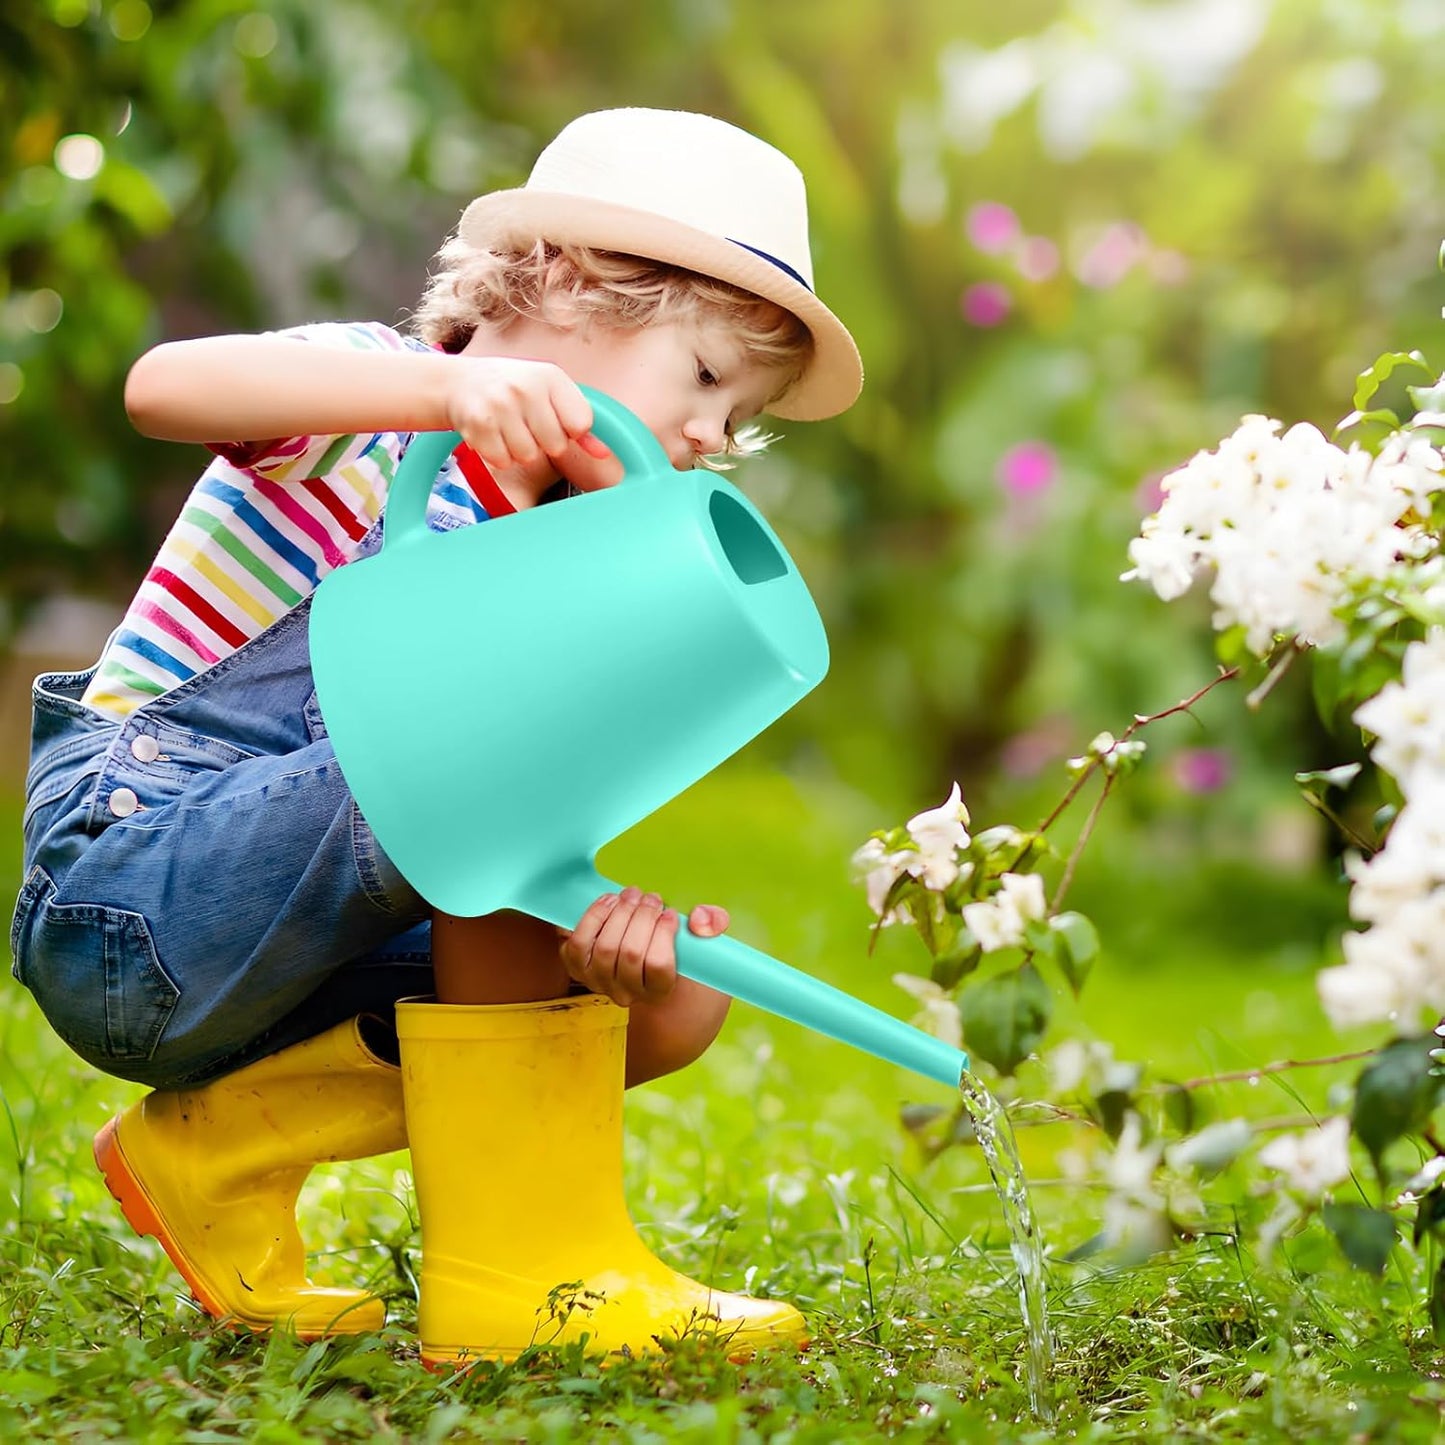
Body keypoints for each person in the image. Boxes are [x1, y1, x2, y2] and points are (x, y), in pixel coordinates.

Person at [11, 107, 862, 1364]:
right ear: (571, 282)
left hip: (280, 946)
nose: (709, 437)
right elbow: (163, 385)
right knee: (484, 760)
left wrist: (591, 925)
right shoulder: (375, 396)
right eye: (702, 379)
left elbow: (507, 866)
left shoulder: (562, 542)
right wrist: (444, 386)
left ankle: (232, 1152)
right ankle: (517, 1270)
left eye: (737, 418)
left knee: (670, 1000)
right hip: (133, 883)